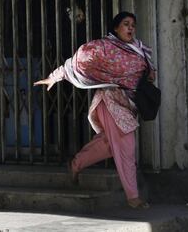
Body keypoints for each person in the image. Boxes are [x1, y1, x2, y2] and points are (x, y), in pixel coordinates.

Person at [34, 11, 154, 209]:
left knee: (108, 145)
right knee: (127, 148)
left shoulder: (138, 49)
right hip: (110, 104)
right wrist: (54, 77)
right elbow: (78, 62)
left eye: (133, 24)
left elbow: (149, 73)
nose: (131, 28)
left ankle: (76, 164)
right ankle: (133, 197)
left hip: (128, 105)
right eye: (126, 24)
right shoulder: (102, 48)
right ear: (116, 28)